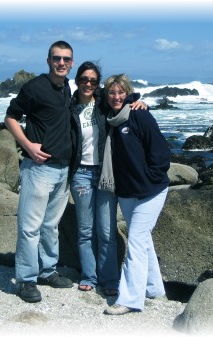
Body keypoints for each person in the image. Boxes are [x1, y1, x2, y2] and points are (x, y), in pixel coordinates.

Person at [4, 40, 76, 303]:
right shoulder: (35, 88)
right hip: (39, 168)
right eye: (56, 58)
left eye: (66, 59)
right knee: (29, 227)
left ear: (72, 63)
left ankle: (48, 271)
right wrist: (27, 146)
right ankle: (26, 280)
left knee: (50, 226)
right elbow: (10, 117)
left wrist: (136, 102)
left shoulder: (68, 88)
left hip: (63, 170)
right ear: (48, 61)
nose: (61, 63)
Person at [70, 62, 146, 296]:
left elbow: (121, 94)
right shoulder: (70, 106)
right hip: (80, 173)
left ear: (97, 83)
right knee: (84, 231)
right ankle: (89, 276)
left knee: (106, 231)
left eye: (93, 81)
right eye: (84, 79)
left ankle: (110, 279)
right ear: (77, 80)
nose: (88, 84)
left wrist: (139, 101)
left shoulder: (102, 103)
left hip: (105, 174)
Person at [100, 74, 171, 315]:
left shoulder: (140, 114)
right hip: (127, 192)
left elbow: (161, 152)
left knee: (137, 241)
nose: (116, 97)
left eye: (121, 92)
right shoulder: (109, 117)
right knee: (143, 241)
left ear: (128, 93)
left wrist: (150, 177)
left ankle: (129, 300)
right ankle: (155, 289)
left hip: (151, 191)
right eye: (111, 92)